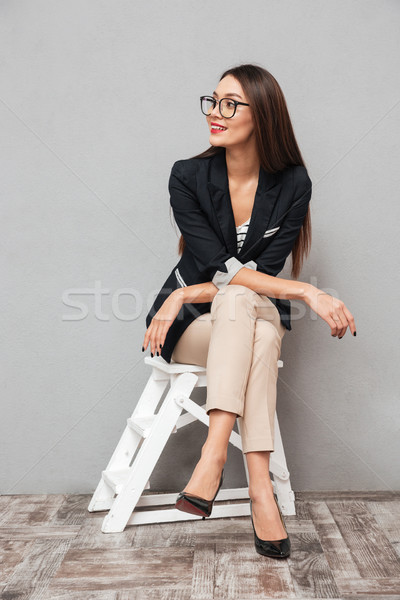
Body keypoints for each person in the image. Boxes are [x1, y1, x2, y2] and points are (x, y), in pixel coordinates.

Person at [142, 64, 356, 559]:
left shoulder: (293, 184)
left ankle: (214, 458)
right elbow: (219, 268)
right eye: (213, 101)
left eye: (230, 103)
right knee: (243, 300)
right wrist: (307, 292)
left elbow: (250, 275)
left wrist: (188, 290)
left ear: (264, 116)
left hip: (242, 314)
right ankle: (259, 489)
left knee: (244, 303)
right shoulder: (188, 176)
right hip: (192, 327)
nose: (216, 113)